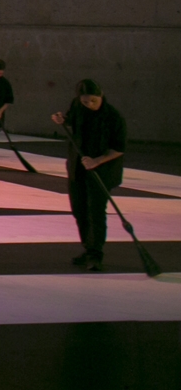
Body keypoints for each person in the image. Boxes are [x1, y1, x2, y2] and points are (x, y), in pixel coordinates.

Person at [51, 80, 127, 271]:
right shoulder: (77, 105)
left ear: (101, 96)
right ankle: (88, 248)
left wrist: (97, 161)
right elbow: (71, 119)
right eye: (85, 102)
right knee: (79, 210)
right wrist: (62, 120)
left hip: (102, 171)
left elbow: (118, 149)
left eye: (93, 101)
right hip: (77, 168)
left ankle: (95, 254)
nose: (90, 105)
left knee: (95, 212)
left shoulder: (113, 117)